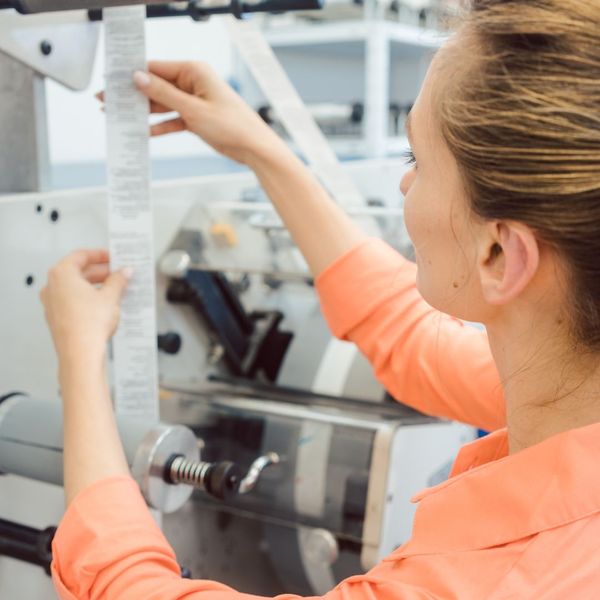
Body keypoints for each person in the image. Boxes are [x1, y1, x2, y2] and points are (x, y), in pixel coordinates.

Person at [40, 0, 600, 598]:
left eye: (418, 158)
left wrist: (79, 361)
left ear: (498, 256)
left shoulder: (486, 585)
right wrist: (262, 149)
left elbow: (131, 590)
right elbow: (409, 337)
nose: (404, 182)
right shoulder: (569, 381)